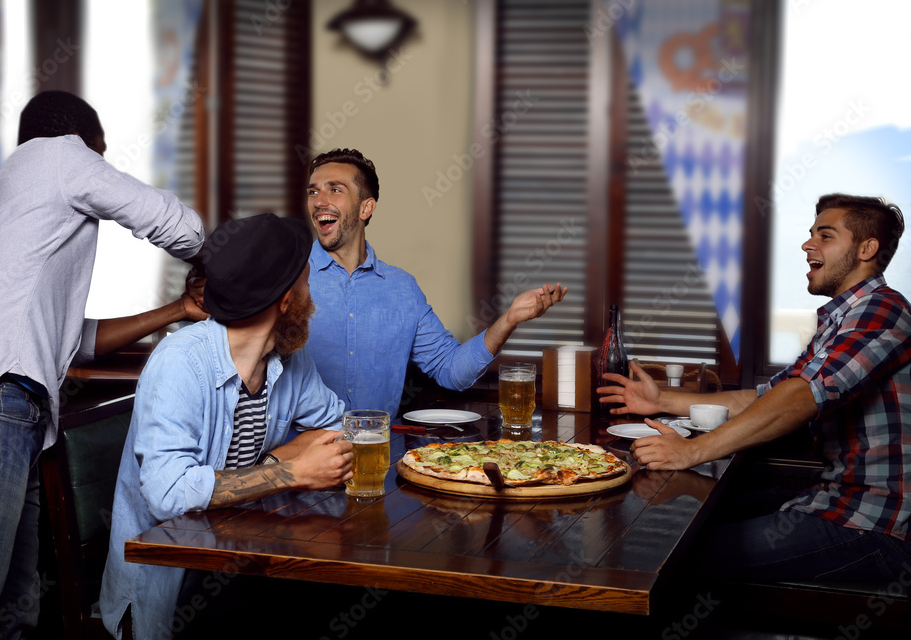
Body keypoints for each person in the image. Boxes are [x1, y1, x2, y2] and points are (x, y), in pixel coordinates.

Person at [0, 91, 206, 638]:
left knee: (8, 612)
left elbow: (70, 339)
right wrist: (242, 264)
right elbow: (178, 226)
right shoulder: (65, 156)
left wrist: (178, 309)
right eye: (102, 151)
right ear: (85, 140)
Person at [600, 193, 911, 582]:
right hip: (830, 499)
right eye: (811, 233)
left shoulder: (882, 309)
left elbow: (801, 397)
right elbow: (766, 397)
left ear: (867, 249)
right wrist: (663, 399)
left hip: (873, 524)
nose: (807, 244)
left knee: (674, 562)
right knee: (682, 524)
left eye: (825, 236)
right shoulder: (841, 319)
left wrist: (691, 451)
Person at [99, 214, 352, 639]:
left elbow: (340, 427)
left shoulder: (288, 357)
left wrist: (274, 460)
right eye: (308, 283)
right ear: (287, 300)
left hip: (241, 558)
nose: (315, 297)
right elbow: (167, 493)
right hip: (172, 585)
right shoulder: (181, 362)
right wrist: (288, 471)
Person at [304, 148, 567, 417]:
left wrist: (509, 319)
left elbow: (451, 370)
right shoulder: (290, 280)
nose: (319, 201)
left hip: (376, 450)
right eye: (313, 192)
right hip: (301, 454)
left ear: (366, 207)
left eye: (335, 190)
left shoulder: (402, 288)